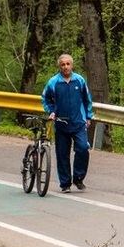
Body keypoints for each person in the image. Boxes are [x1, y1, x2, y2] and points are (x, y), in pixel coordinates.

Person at [42, 54, 95, 193]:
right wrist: (51, 111)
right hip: (61, 123)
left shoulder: (79, 80)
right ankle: (65, 183)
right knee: (62, 154)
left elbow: (87, 99)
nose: (65, 67)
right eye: (63, 64)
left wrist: (88, 116)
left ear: (72, 65)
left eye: (68, 64)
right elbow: (46, 99)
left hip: (78, 122)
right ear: (59, 66)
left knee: (83, 148)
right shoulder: (53, 82)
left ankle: (78, 177)